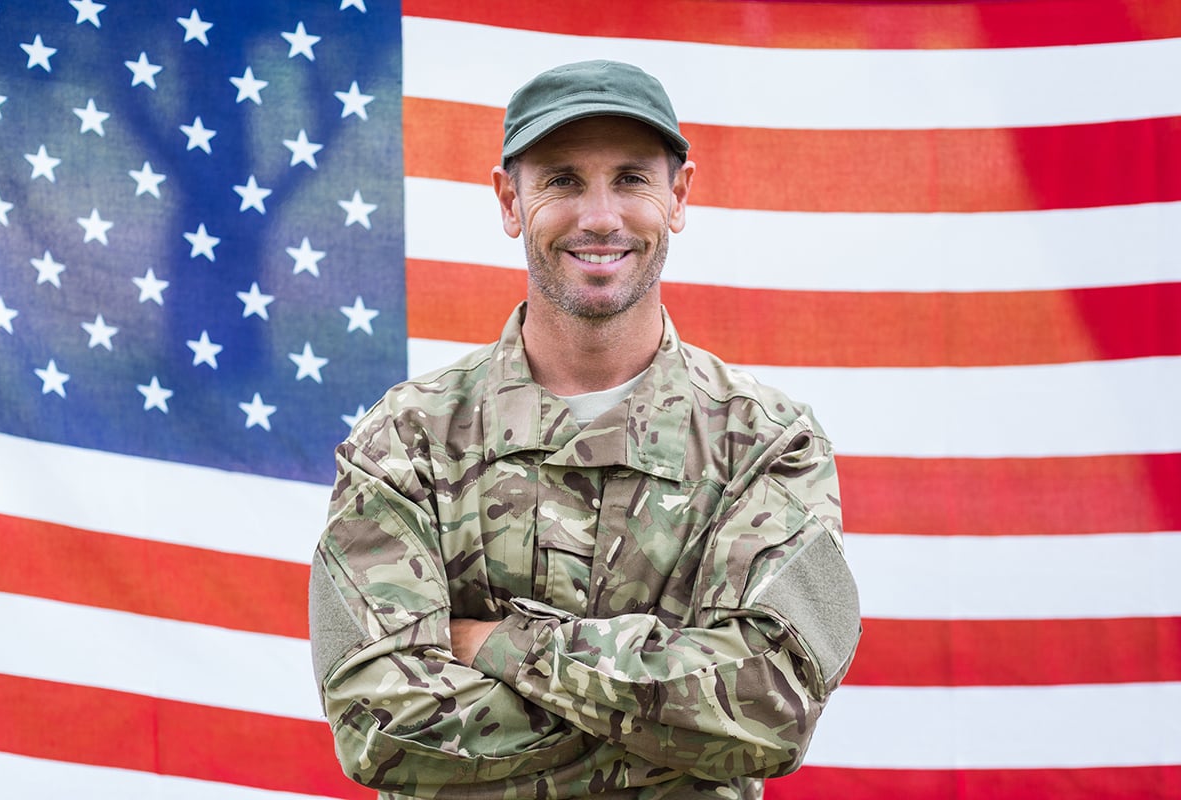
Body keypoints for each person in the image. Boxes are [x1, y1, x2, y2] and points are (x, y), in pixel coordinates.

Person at [309, 60, 861, 800]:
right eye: (562, 181)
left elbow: (770, 709)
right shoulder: (406, 441)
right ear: (510, 200)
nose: (600, 217)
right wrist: (680, 734)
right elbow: (377, 723)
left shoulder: (766, 444)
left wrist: (500, 643)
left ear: (679, 196)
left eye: (631, 178)